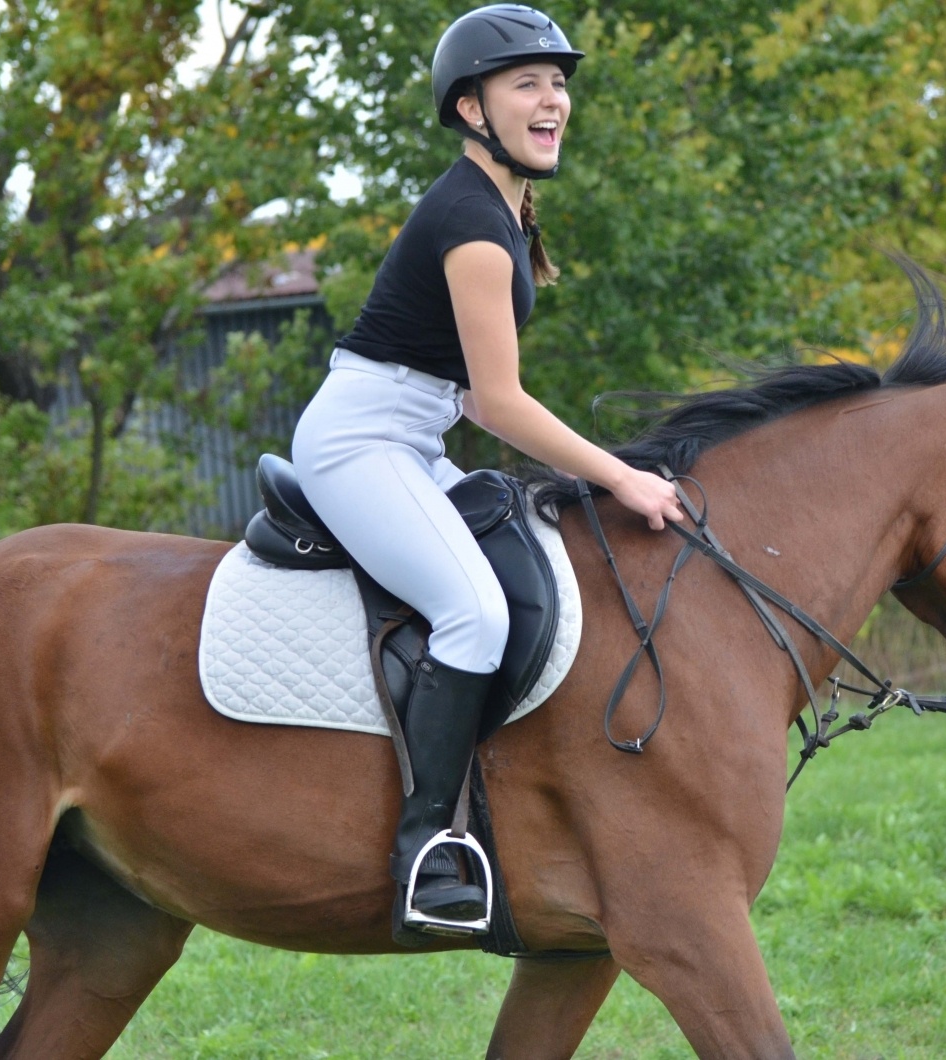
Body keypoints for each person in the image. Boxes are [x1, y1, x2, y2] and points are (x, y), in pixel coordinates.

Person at [292, 3, 684, 941]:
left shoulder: (505, 206)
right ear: (472, 110)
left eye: (559, 83)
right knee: (476, 610)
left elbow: (466, 398)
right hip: (361, 442)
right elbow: (498, 402)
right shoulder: (471, 220)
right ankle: (428, 850)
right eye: (528, 84)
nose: (553, 100)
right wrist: (622, 478)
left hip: (412, 437)